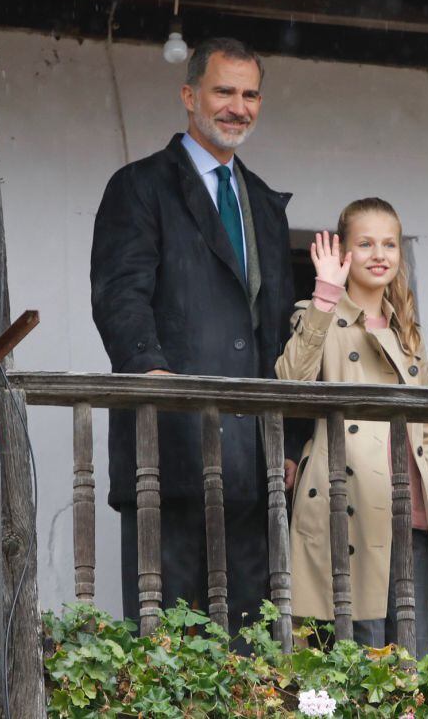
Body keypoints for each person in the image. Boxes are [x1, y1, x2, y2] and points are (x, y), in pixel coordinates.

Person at [91, 37, 300, 634]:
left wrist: (288, 440)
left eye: (251, 93)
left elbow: (280, 326)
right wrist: (149, 371)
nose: (239, 106)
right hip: (171, 451)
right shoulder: (139, 186)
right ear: (189, 95)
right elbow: (119, 294)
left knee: (249, 654)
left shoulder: (263, 204)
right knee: (170, 649)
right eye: (224, 91)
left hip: (254, 462)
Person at [277, 198, 428, 656]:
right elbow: (290, 382)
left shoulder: (407, 331)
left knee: (412, 662)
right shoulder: (319, 314)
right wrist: (324, 295)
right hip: (351, 506)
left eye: (389, 244)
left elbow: (426, 433)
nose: (379, 254)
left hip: (411, 513)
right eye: (365, 243)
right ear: (343, 251)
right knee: (359, 659)